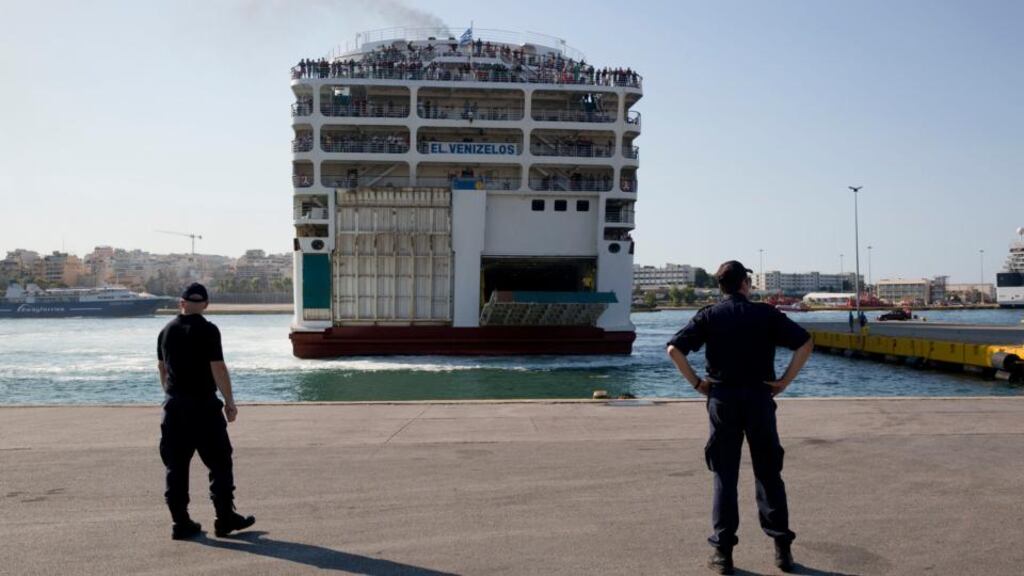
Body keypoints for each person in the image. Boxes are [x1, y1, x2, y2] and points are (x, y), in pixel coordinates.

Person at [666, 261, 814, 574]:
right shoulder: (766, 313)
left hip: (723, 399)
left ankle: (723, 554)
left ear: (721, 287)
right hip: (760, 397)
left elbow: (674, 350)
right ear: (746, 283)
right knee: (768, 472)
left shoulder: (709, 315)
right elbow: (805, 342)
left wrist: (696, 383)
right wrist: (785, 381)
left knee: (725, 474)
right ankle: (782, 550)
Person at [157, 283, 255, 540]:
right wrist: (230, 402)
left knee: (176, 466)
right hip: (203, 408)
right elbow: (218, 367)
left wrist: (170, 396)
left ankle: (180, 523)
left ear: (182, 303)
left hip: (174, 407)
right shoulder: (209, 330)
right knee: (220, 462)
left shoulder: (166, 331)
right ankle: (224, 518)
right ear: (207, 305)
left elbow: (162, 370)